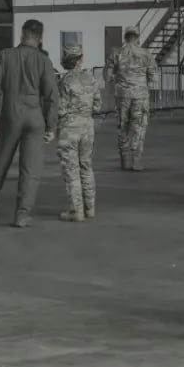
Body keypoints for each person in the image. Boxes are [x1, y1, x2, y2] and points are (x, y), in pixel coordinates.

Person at [0, 19, 59, 228]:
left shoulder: (6, 56)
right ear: (41, 39)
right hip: (35, 118)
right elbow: (52, 96)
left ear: (21, 35)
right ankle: (22, 215)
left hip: (11, 115)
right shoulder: (45, 61)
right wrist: (51, 126)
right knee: (30, 168)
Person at [56, 45, 102, 222]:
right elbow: (97, 106)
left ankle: (76, 210)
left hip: (69, 128)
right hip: (87, 127)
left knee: (71, 170)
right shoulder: (91, 79)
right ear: (80, 59)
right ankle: (90, 208)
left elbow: (60, 109)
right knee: (86, 166)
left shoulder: (64, 82)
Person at [106, 27, 156, 171]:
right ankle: (136, 160)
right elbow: (153, 77)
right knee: (138, 127)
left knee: (123, 125)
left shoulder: (117, 53)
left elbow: (108, 76)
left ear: (125, 37)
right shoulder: (145, 54)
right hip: (140, 96)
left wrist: (119, 79)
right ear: (137, 37)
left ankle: (124, 159)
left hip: (122, 96)